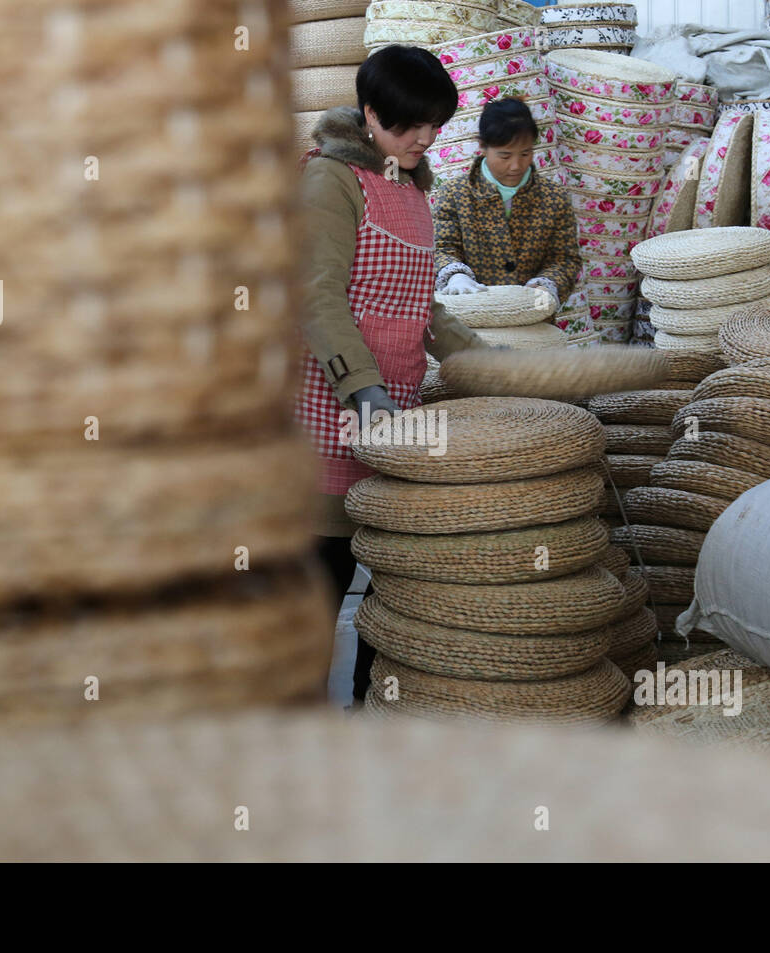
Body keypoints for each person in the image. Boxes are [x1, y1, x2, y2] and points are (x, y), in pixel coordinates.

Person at [297, 45, 488, 706]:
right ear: (370, 113)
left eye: (434, 124)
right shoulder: (330, 180)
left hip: (391, 422)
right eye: (409, 125)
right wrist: (364, 390)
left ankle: (372, 705)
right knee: (319, 587)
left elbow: (420, 304)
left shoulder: (409, 185)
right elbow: (316, 296)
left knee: (394, 589)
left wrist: (483, 362)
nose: (425, 138)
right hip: (330, 419)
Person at [433, 97, 581, 308]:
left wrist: (546, 286)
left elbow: (565, 259)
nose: (515, 166)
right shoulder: (455, 194)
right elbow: (442, 247)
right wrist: (455, 275)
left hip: (532, 318)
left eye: (525, 153)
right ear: (483, 146)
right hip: (471, 316)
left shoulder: (554, 198)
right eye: (504, 156)